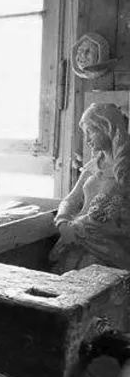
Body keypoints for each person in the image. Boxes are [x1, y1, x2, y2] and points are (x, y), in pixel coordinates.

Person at [50, 101, 130, 272]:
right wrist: (63, 221)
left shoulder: (126, 170)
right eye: (84, 133)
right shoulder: (93, 165)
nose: (86, 140)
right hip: (77, 239)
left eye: (91, 132)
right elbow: (71, 199)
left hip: (110, 248)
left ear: (107, 129)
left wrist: (82, 228)